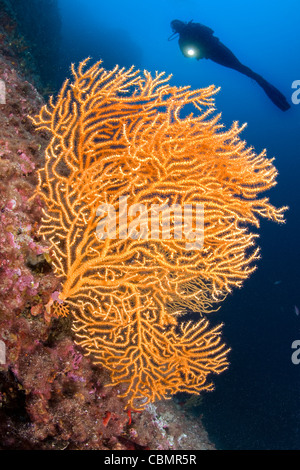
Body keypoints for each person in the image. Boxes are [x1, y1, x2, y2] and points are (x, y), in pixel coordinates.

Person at [169, 20, 290, 111]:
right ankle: (262, 83)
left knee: (239, 66)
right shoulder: (182, 40)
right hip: (212, 54)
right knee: (239, 68)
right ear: (175, 29)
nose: (179, 27)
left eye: (178, 24)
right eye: (176, 26)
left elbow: (210, 31)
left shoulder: (195, 26)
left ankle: (264, 84)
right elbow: (187, 54)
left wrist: (200, 38)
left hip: (218, 48)